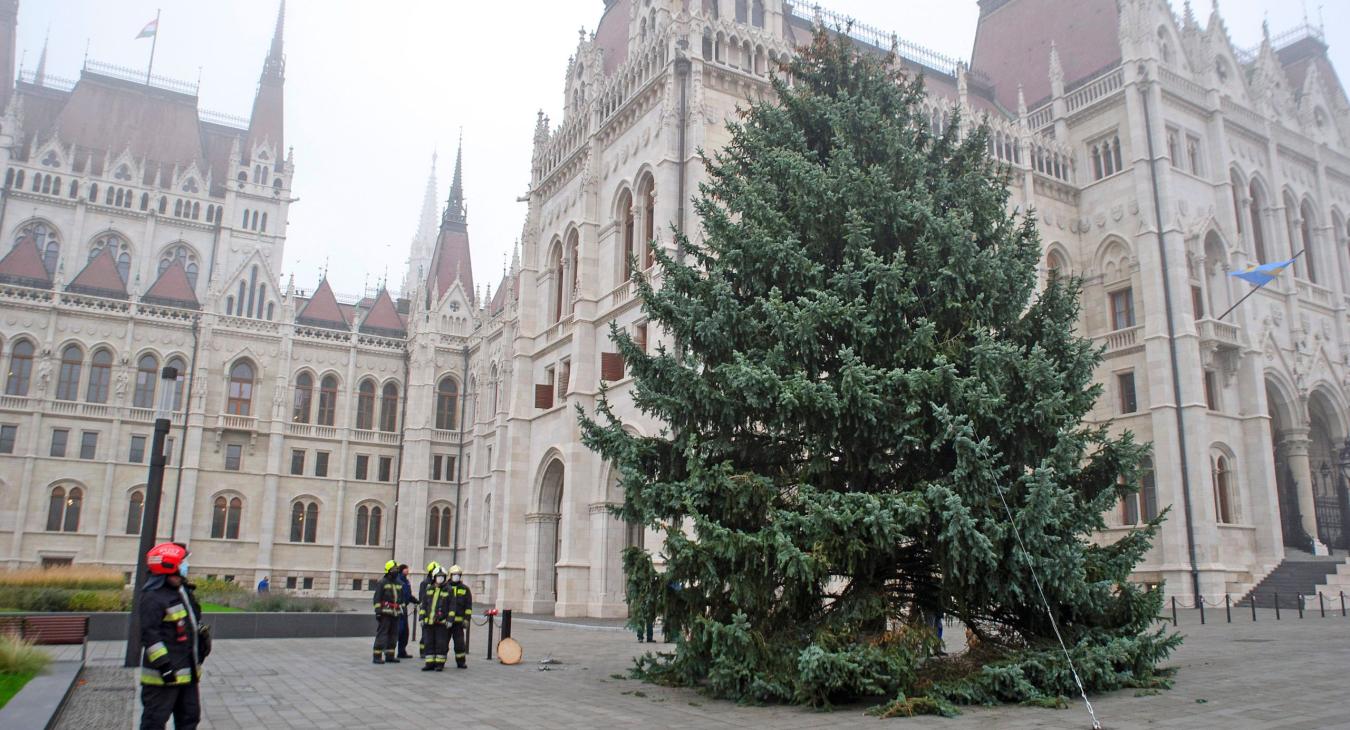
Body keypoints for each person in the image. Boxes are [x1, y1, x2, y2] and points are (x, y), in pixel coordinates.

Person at [139, 542, 211, 730]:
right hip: (164, 675)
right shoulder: (153, 597)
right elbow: (150, 635)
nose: (185, 567)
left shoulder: (182, 592)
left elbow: (190, 622)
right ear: (169, 566)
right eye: (181, 564)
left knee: (189, 718)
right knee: (155, 721)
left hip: (187, 671)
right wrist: (164, 666)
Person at [419, 566, 452, 671]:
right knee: (429, 642)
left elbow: (452, 606)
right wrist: (421, 617)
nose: (440, 578)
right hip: (429, 622)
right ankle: (429, 663)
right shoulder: (429, 589)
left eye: (442, 576)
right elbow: (424, 605)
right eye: (438, 576)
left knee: (440, 643)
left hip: (441, 622)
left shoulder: (449, 590)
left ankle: (439, 664)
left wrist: (450, 620)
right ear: (434, 577)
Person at [371, 560, 402, 664]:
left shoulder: (398, 583)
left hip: (395, 613)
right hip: (385, 613)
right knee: (382, 634)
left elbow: (400, 599)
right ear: (388, 571)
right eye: (393, 569)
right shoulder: (382, 583)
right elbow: (377, 599)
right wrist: (378, 612)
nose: (396, 571)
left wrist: (401, 608)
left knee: (394, 635)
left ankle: (390, 655)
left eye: (396, 569)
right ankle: (377, 656)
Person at [446, 564, 473, 668]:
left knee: (460, 644)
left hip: (459, 623)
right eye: (454, 574)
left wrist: (466, 619)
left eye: (458, 574)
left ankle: (461, 662)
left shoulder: (465, 589)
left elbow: (468, 606)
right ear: (450, 575)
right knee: (443, 643)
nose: (456, 576)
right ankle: (440, 661)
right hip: (447, 622)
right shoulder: (446, 588)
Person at [417, 561, 439, 657]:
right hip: (427, 612)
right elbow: (422, 599)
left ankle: (431, 650)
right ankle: (423, 651)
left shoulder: (439, 583)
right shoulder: (425, 583)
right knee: (425, 633)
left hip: (436, 613)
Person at [396, 564, 414, 659]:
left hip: (405, 609)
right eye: (406, 569)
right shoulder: (399, 580)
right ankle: (390, 651)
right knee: (400, 630)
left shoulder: (406, 581)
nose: (408, 570)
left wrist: (415, 600)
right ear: (402, 570)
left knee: (405, 632)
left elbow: (408, 595)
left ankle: (402, 651)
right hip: (399, 609)